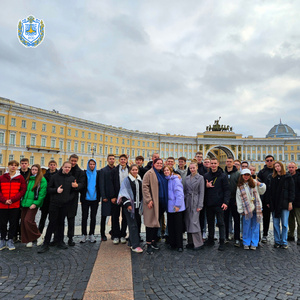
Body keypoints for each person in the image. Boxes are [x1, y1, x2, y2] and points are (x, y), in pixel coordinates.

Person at [38, 161, 76, 253]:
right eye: (65, 167)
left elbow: (73, 192)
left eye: (69, 167)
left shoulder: (72, 178)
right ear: (62, 167)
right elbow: (48, 189)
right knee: (52, 223)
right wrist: (56, 190)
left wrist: (68, 198)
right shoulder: (54, 177)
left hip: (64, 204)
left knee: (61, 223)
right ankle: (46, 243)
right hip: (54, 204)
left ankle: (61, 241)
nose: (67, 169)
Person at [142, 158, 168, 255]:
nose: (159, 165)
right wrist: (148, 200)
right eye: (158, 163)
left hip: (160, 203)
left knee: (156, 223)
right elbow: (145, 187)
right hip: (152, 203)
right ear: (154, 163)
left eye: (161, 163)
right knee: (150, 224)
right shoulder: (149, 173)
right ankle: (148, 244)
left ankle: (153, 241)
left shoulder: (161, 173)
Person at [204, 158, 230, 251]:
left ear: (218, 164)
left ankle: (222, 241)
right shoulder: (206, 175)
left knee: (221, 223)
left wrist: (225, 202)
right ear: (210, 164)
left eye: (215, 163)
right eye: (212, 163)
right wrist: (206, 186)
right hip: (209, 203)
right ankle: (210, 239)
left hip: (219, 204)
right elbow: (203, 189)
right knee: (210, 222)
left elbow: (227, 190)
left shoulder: (223, 176)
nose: (213, 165)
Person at [236, 168, 266, 250]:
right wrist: (240, 210)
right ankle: (246, 242)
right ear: (242, 176)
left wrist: (260, 184)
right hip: (246, 208)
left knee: (256, 226)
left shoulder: (254, 183)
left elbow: (262, 190)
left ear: (250, 176)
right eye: (244, 175)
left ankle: (254, 242)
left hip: (256, 207)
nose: (246, 176)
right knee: (246, 226)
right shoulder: (240, 186)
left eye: (248, 175)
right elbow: (238, 199)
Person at [0, 160, 26, 251]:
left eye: (15, 165)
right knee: (2, 223)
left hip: (14, 205)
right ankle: (2, 240)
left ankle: (10, 240)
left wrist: (12, 200)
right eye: (11, 165)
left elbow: (22, 190)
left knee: (13, 224)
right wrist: (4, 200)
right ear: (8, 166)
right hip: (3, 205)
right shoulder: (2, 177)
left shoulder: (20, 178)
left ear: (17, 167)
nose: (13, 167)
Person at [268, 161, 294, 249]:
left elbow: (291, 191)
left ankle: (284, 241)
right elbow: (270, 191)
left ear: (281, 167)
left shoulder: (288, 177)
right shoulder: (272, 178)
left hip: (285, 203)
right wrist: (269, 202)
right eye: (275, 166)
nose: (277, 168)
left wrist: (290, 202)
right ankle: (277, 241)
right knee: (275, 224)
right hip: (275, 204)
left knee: (284, 224)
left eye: (278, 166)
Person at [117, 164, 143, 253]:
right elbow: (123, 193)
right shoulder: (126, 181)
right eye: (133, 170)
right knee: (132, 225)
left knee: (138, 223)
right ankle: (135, 245)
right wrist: (128, 204)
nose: (135, 171)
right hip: (129, 207)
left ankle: (131, 242)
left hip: (137, 207)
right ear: (130, 171)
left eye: (136, 170)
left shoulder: (139, 180)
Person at [21, 164, 47, 247]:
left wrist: (35, 203)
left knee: (28, 220)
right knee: (23, 221)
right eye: (32, 169)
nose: (34, 171)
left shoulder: (42, 180)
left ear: (38, 171)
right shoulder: (28, 179)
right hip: (25, 203)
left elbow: (42, 194)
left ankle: (38, 235)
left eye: (36, 170)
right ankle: (28, 240)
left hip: (33, 203)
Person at [163, 166, 185, 252]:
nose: (166, 171)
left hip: (176, 207)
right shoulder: (167, 179)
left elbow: (179, 193)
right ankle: (173, 243)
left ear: (171, 170)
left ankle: (179, 245)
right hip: (170, 207)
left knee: (178, 227)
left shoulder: (175, 179)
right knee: (171, 226)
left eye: (167, 170)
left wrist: (178, 205)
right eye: (164, 170)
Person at [184, 161, 204, 251]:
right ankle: (190, 242)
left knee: (194, 222)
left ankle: (198, 243)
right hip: (188, 201)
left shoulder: (200, 178)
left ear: (197, 168)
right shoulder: (187, 178)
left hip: (195, 201)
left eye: (193, 168)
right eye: (190, 168)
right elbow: (185, 191)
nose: (192, 169)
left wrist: (200, 205)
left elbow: (201, 192)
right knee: (188, 221)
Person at [111, 154, 129, 244]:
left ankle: (123, 235)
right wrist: (113, 196)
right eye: (121, 159)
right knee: (115, 216)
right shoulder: (114, 170)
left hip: (126, 197)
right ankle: (116, 235)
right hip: (117, 196)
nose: (122, 161)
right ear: (119, 160)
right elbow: (111, 184)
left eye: (124, 159)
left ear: (126, 160)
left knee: (125, 216)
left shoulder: (130, 170)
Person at [80, 159, 100, 243]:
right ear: (88, 165)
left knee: (93, 217)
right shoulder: (84, 173)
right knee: (84, 217)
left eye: (93, 164)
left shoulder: (98, 174)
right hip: (85, 198)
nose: (92, 165)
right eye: (90, 164)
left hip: (94, 199)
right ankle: (84, 234)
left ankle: (91, 234)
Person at [67, 154, 85, 246]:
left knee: (71, 219)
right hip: (63, 197)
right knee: (60, 218)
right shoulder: (65, 169)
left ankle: (70, 237)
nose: (73, 162)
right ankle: (58, 237)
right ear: (69, 160)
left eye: (75, 161)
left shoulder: (80, 172)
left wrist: (77, 186)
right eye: (72, 160)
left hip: (73, 198)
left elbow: (83, 184)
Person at [257, 155, 274, 243]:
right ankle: (260, 235)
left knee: (269, 218)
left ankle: (265, 234)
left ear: (273, 161)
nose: (269, 162)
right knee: (261, 217)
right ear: (265, 162)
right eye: (267, 160)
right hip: (263, 198)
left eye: (271, 160)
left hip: (273, 198)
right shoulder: (262, 172)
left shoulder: (276, 171)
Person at [224, 157, 240, 247]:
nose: (229, 163)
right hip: (226, 200)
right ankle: (225, 237)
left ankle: (237, 238)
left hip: (235, 200)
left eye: (230, 161)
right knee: (225, 219)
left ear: (233, 163)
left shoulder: (238, 174)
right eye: (227, 161)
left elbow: (240, 187)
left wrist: (238, 200)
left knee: (236, 220)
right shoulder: (223, 173)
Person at [38, 160, 58, 234]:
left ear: (56, 166)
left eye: (54, 165)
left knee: (52, 219)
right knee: (43, 218)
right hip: (46, 200)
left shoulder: (58, 175)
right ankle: (39, 233)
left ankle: (52, 234)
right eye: (51, 165)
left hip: (54, 200)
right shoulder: (44, 176)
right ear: (48, 166)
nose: (52, 166)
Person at [99, 154, 115, 241]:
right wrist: (103, 196)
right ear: (107, 160)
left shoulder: (116, 169)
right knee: (104, 216)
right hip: (106, 197)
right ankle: (102, 233)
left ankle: (113, 232)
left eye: (113, 159)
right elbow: (101, 184)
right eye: (110, 159)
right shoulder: (103, 170)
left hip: (114, 197)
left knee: (114, 216)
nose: (112, 160)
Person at [287, 162, 300, 244]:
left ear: (295, 167)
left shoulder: (299, 176)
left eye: (292, 167)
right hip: (288, 202)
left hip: (298, 202)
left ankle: (299, 237)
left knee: (299, 221)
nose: (291, 169)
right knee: (290, 221)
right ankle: (291, 235)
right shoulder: (286, 176)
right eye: (289, 167)